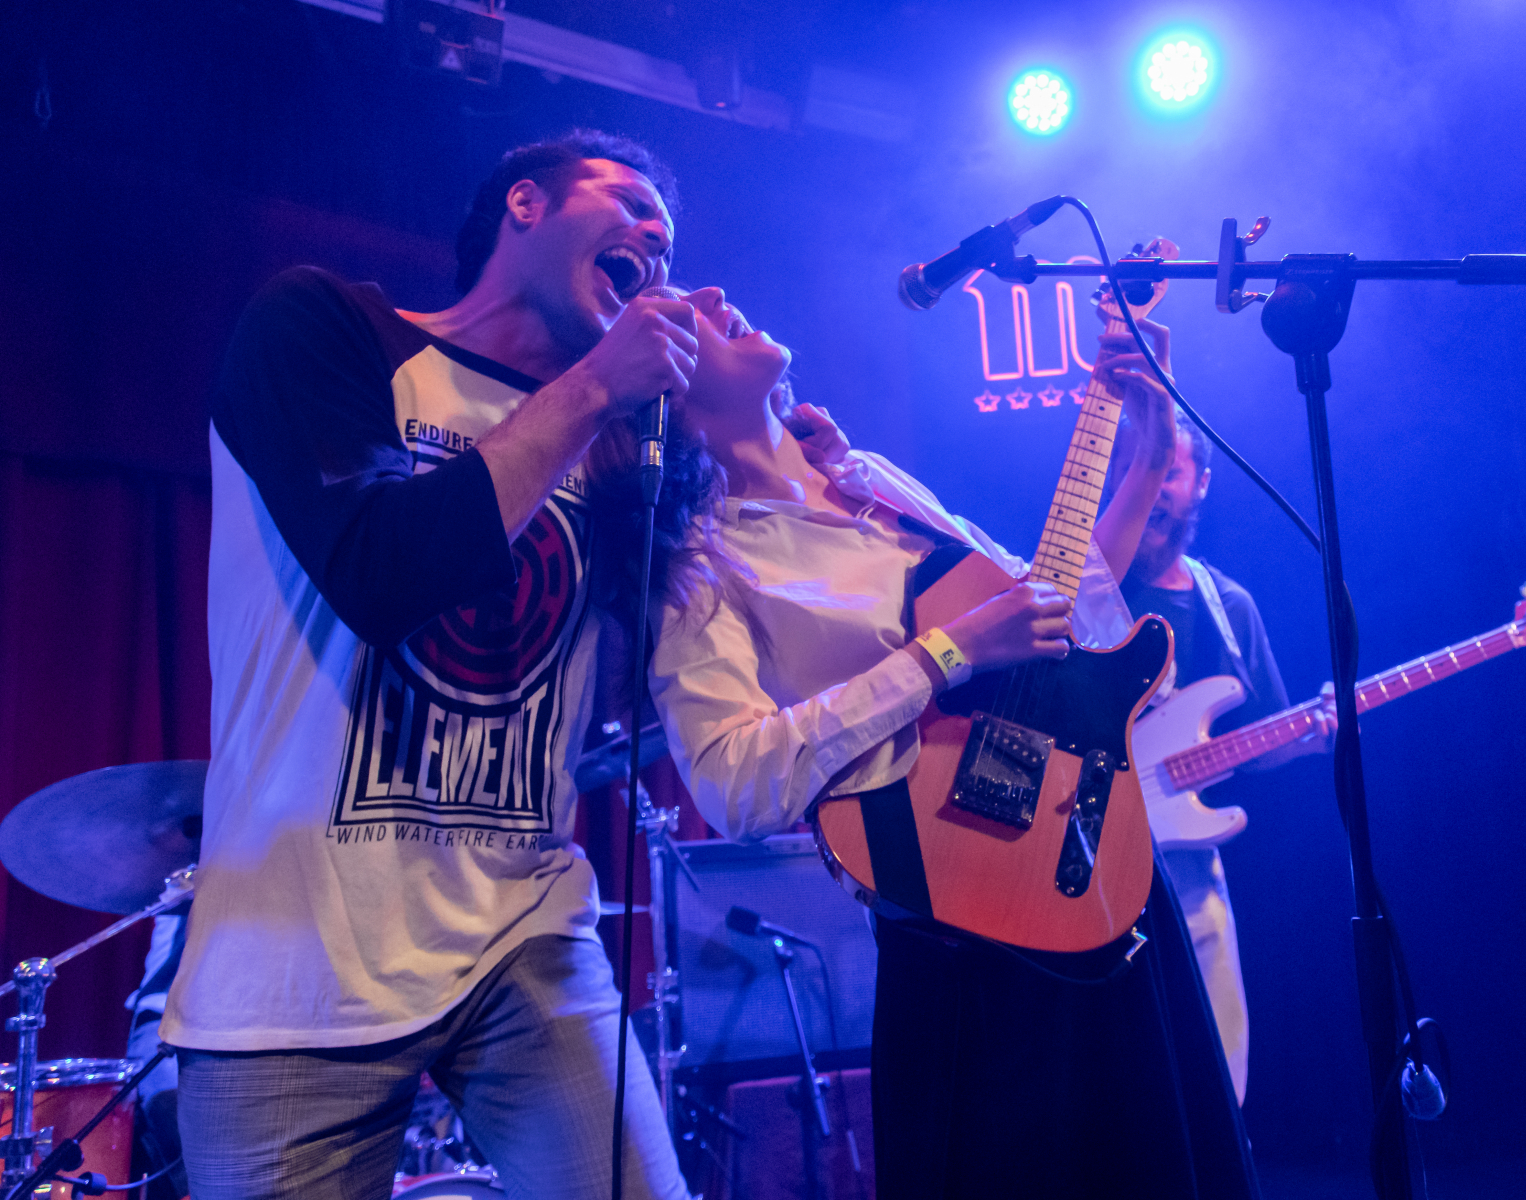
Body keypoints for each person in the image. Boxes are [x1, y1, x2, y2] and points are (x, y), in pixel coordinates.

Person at [618, 286, 1261, 1199]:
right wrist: (945, 654)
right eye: (684, 312)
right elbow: (732, 785)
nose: (716, 296)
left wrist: (1151, 450)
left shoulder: (869, 479)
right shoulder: (701, 565)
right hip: (967, 929)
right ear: (664, 398)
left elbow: (1051, 619)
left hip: (1092, 859)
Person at [160, 129, 705, 1200]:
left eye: (670, 237)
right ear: (525, 204)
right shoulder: (325, 327)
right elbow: (382, 573)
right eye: (631, 202)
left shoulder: (613, 441)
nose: (656, 236)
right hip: (298, 959)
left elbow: (648, 679)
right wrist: (596, 388)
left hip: (526, 934)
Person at [1095, 318, 1332, 1106]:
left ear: (1199, 484)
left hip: (1186, 863)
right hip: (1082, 857)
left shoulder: (1229, 605)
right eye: (1138, 470)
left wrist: (1310, 735)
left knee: (1217, 1074)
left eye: (1169, 470)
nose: (1155, 486)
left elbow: (1257, 742)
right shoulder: (1086, 588)